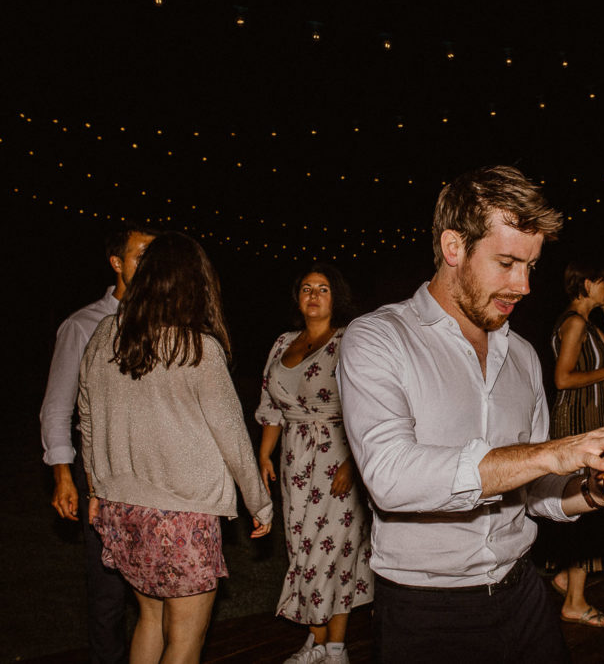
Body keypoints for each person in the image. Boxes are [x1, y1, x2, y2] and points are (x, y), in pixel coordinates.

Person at [338, 165, 604, 663]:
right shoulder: (379, 339)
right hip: (426, 612)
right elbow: (390, 477)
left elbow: (533, 494)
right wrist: (550, 453)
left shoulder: (522, 355)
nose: (523, 285)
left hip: (524, 593)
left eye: (531, 266)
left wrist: (595, 489)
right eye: (506, 262)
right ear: (453, 247)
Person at [78, 232, 273, 664]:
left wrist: (96, 488)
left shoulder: (107, 334)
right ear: (197, 282)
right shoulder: (197, 347)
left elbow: (86, 418)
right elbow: (233, 437)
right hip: (183, 516)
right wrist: (260, 503)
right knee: (184, 639)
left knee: (149, 620)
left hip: (124, 511)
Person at [40, 222, 156, 664]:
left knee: (156, 591)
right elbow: (57, 405)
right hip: (101, 478)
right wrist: (63, 474)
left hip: (157, 475)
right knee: (108, 595)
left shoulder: (167, 321)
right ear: (117, 262)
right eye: (140, 255)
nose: (148, 265)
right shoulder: (83, 325)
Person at [257, 264, 372, 664]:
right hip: (294, 461)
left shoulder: (349, 342)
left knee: (336, 552)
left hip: (337, 459)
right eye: (306, 288)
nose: (313, 295)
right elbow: (271, 407)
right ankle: (317, 642)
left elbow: (368, 409)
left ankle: (334, 647)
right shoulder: (282, 343)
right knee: (301, 550)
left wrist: (353, 464)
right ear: (297, 297)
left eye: (322, 289)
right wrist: (263, 456)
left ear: (335, 298)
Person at [546, 261, 604, 627]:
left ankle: (566, 578)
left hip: (592, 418)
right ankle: (575, 602)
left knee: (589, 498)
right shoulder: (574, 322)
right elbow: (563, 379)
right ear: (587, 282)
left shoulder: (589, 321)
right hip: (577, 420)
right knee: (587, 499)